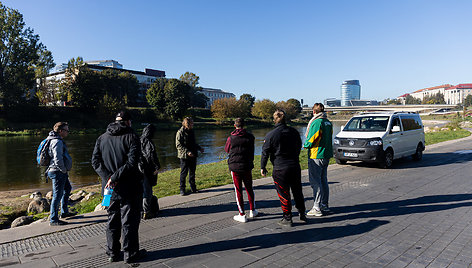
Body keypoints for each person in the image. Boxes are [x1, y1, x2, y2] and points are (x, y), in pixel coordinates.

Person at [91, 111, 146, 264]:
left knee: (111, 218)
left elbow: (95, 162)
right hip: (130, 186)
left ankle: (112, 252)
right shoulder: (132, 137)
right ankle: (130, 253)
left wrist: (108, 178)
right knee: (129, 220)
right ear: (128, 122)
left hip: (108, 189)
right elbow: (131, 163)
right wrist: (114, 178)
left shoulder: (102, 138)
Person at [261, 110, 307, 227]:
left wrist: (263, 167)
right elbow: (299, 146)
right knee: (297, 191)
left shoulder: (271, 135)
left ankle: (287, 217)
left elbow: (265, 152)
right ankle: (302, 213)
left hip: (280, 167)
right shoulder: (294, 132)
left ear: (274, 119)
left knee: (283, 193)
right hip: (294, 166)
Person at [224, 118, 258, 223]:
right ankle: (252, 210)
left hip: (235, 166)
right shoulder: (250, 137)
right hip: (247, 165)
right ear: (244, 126)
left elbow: (226, 149)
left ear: (235, 126)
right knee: (249, 188)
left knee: (238, 190)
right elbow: (252, 150)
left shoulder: (231, 138)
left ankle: (242, 214)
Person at [304, 103, 333, 217]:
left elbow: (312, 138)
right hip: (326, 154)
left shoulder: (317, 122)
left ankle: (316, 207)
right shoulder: (328, 122)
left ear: (314, 112)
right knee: (323, 180)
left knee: (315, 181)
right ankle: (324, 204)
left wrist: (305, 145)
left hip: (316, 154)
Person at [47, 122, 75, 226]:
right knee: (57, 196)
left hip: (58, 171)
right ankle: (53, 219)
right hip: (57, 171)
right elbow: (57, 158)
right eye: (67, 130)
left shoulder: (53, 140)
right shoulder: (57, 142)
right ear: (60, 131)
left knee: (67, 188)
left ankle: (64, 212)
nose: (68, 132)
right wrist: (63, 170)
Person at [175, 117, 204, 196]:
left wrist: (199, 148)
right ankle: (182, 189)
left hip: (193, 155)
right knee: (184, 173)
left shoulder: (192, 131)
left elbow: (193, 143)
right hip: (184, 156)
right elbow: (178, 145)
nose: (193, 124)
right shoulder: (180, 132)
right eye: (191, 123)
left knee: (192, 172)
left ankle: (193, 188)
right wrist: (187, 152)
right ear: (187, 124)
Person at [139, 124, 161, 219]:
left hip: (139, 169)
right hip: (147, 170)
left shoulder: (138, 140)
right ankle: (147, 211)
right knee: (147, 191)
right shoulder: (149, 142)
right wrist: (157, 167)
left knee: (140, 191)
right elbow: (151, 156)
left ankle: (141, 210)